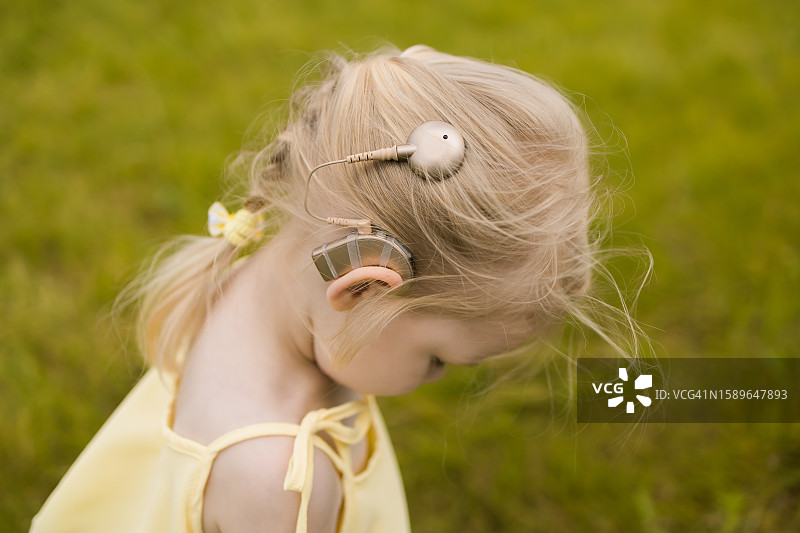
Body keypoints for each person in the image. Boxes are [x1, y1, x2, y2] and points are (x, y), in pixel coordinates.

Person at [31, 44, 641, 533]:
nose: (431, 382)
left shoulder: (247, 274)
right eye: (437, 359)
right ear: (362, 289)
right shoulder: (282, 487)